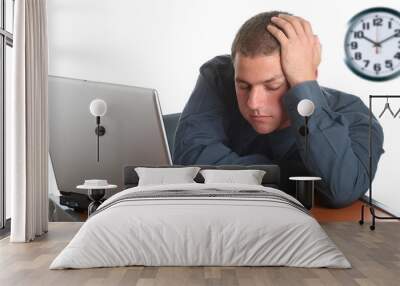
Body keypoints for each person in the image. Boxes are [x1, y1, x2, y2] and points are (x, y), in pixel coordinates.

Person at [173, 11, 385, 208]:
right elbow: (189, 164)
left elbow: (341, 190)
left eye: (272, 86)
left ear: (306, 76)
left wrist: (304, 85)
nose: (253, 103)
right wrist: (296, 176)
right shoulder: (219, 76)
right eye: (243, 86)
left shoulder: (356, 117)